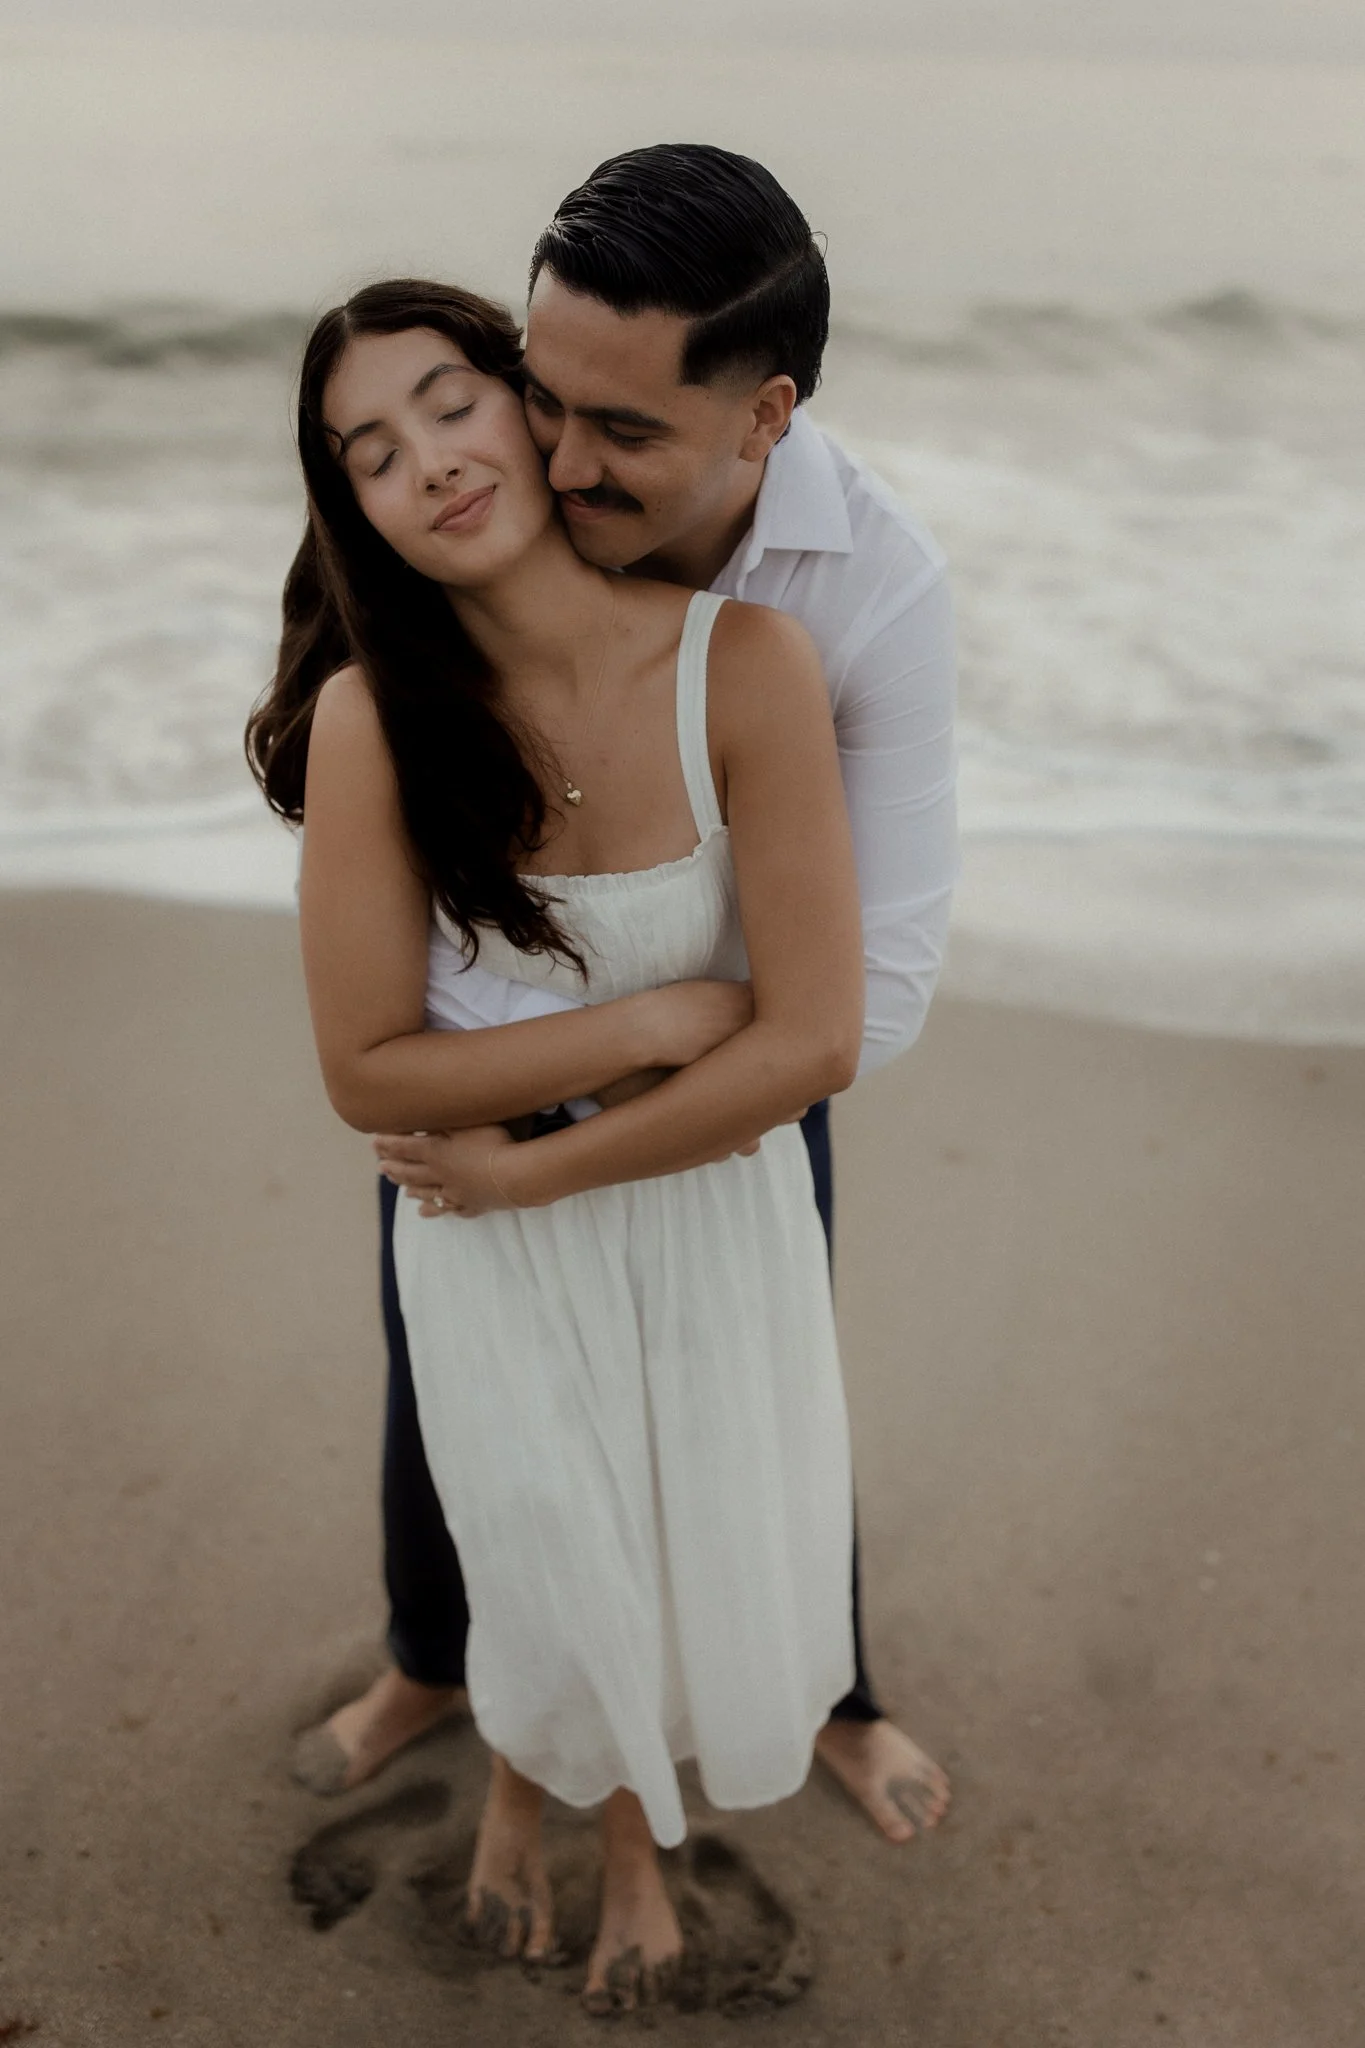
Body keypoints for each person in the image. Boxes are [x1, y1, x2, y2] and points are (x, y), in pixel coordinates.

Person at [292, 145, 957, 1852]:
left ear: (763, 418)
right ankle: (437, 1663)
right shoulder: (447, 576)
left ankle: (831, 1689)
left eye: (626, 433)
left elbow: (851, 1014)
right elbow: (381, 1019)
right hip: (476, 1047)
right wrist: (524, 1089)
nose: (561, 462)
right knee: (451, 1403)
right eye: (543, 394)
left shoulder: (861, 596)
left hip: (738, 1071)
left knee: (759, 1402)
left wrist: (661, 1074)